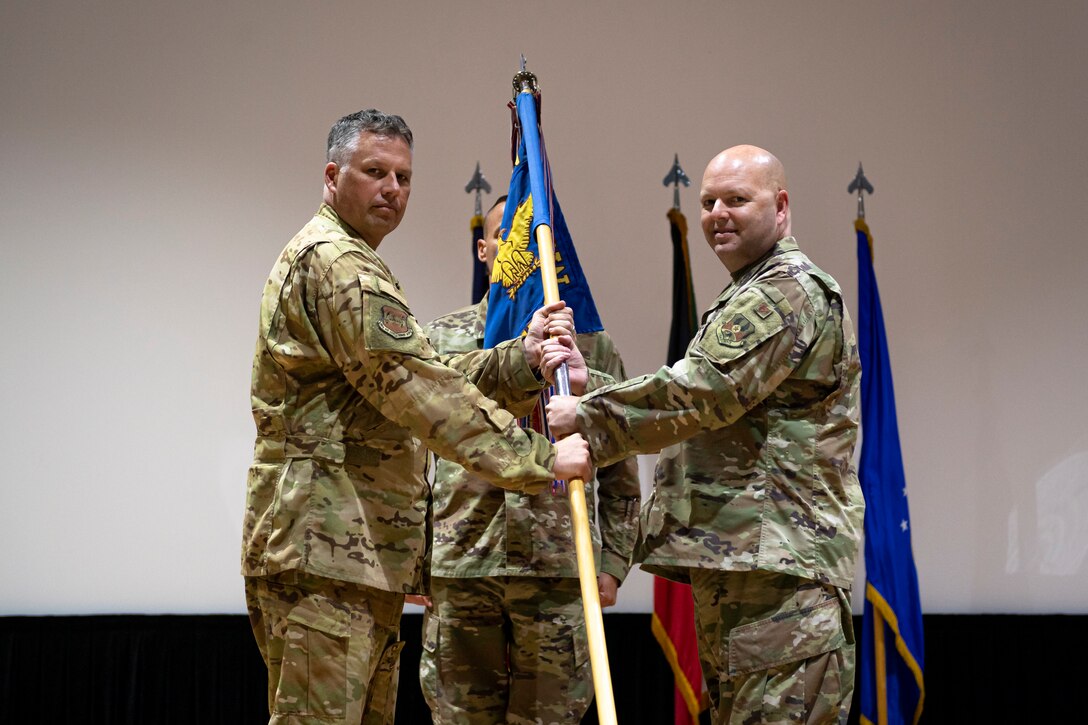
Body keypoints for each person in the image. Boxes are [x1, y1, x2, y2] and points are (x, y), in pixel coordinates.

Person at [241, 109, 591, 725]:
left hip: (353, 550)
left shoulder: (355, 262)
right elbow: (418, 392)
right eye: (375, 172)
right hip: (325, 549)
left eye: (404, 177)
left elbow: (424, 375)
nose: (393, 190)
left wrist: (524, 358)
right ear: (332, 175)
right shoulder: (336, 264)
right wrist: (540, 459)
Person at [546, 145, 864, 724]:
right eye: (709, 201)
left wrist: (587, 413)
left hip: (780, 576)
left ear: (782, 206)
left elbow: (704, 392)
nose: (718, 213)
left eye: (737, 199)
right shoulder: (750, 290)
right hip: (747, 567)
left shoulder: (785, 289)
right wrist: (597, 388)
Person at [415, 195, 641, 724]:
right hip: (463, 564)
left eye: (535, 241)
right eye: (509, 239)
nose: (525, 253)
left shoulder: (590, 345)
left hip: (560, 572)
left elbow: (621, 467)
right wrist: (414, 554)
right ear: (485, 250)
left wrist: (612, 563)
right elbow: (414, 456)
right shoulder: (444, 337)